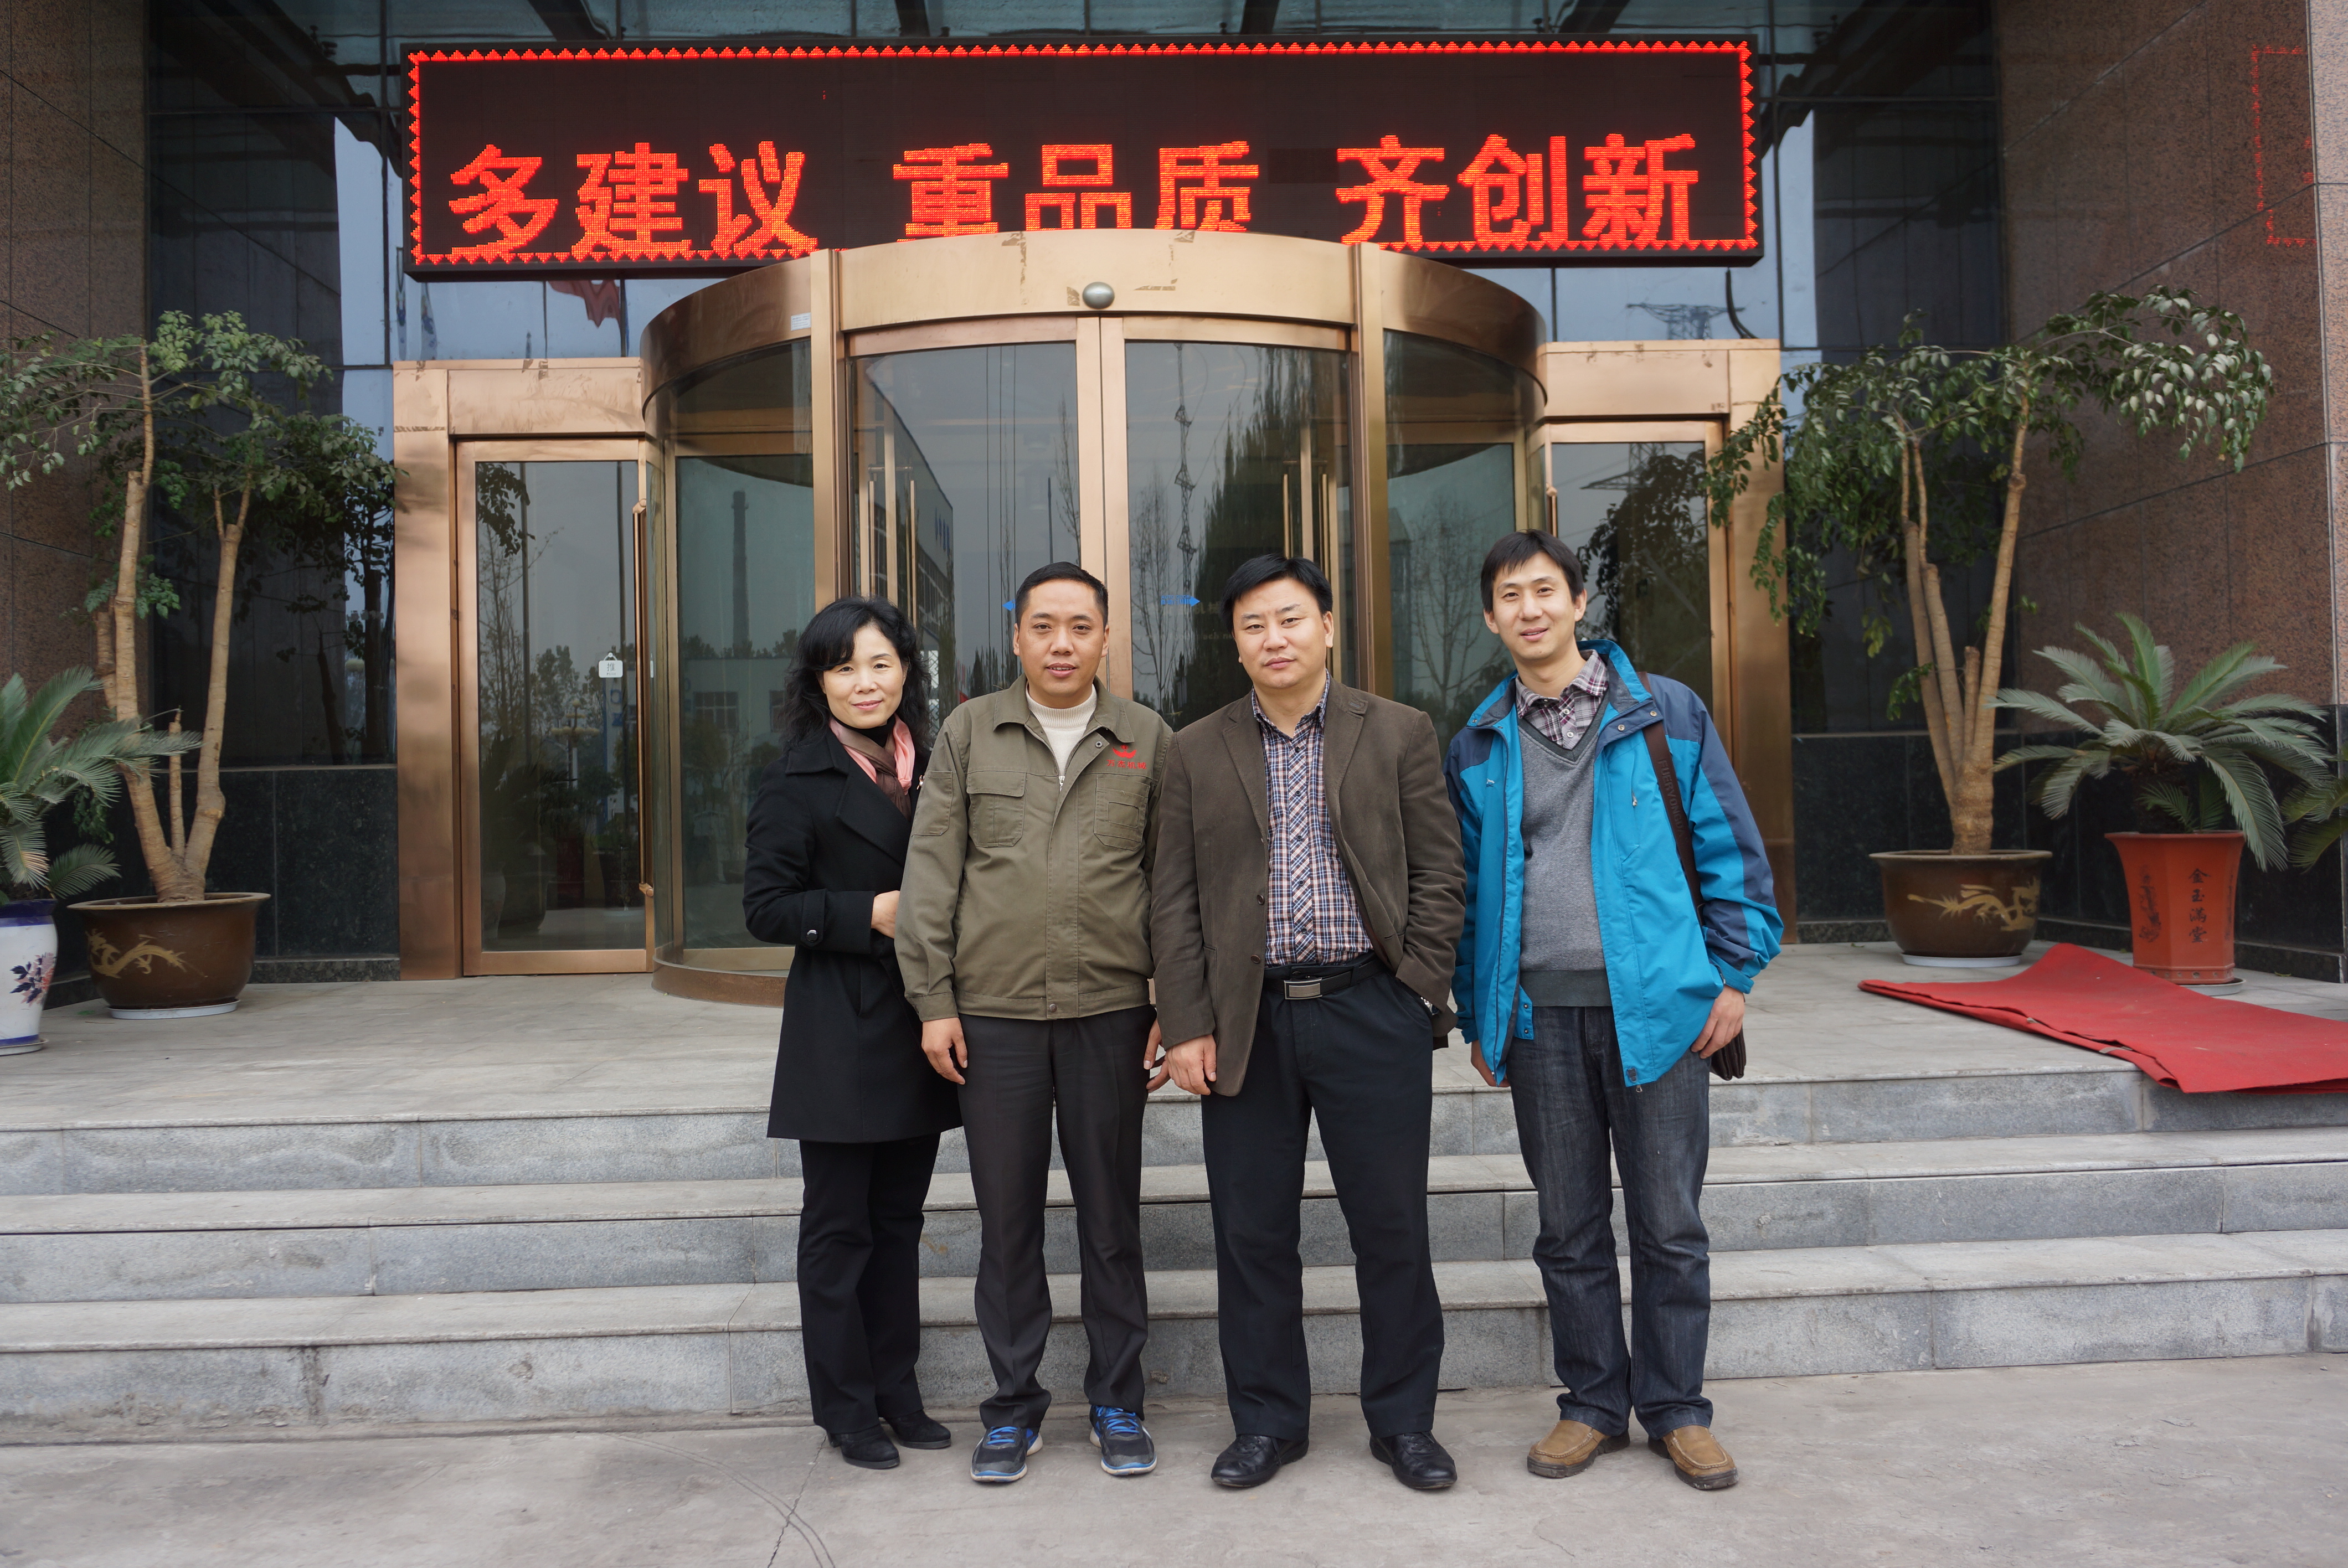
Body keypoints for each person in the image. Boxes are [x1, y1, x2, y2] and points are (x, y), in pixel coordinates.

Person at [1445, 532, 1781, 1493]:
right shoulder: (1477, 742)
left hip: (1663, 1014)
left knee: (1669, 1223)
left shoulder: (1665, 712)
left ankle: (1677, 1409)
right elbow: (1468, 896)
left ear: (1578, 601)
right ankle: (1592, 1402)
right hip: (1539, 1020)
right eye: (1511, 596)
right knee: (1568, 1227)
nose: (1531, 610)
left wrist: (1733, 977)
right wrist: (1479, 1014)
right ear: (1491, 617)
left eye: (1545, 590)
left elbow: (1731, 853)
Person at [1151, 554, 1466, 1493]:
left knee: (1391, 1228)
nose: (1274, 639)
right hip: (1246, 1020)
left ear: (1328, 625)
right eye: (1253, 625)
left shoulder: (1399, 730)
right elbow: (1172, 900)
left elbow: (1439, 871)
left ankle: (1405, 1423)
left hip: (1371, 1009)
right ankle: (1267, 1422)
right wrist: (1187, 1022)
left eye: (1290, 618)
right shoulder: (1193, 749)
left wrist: (1416, 990)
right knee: (1251, 1234)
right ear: (1235, 642)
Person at [895, 561, 1174, 1486]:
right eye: (1044, 626)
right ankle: (1013, 1409)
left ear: (1106, 638)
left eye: (1080, 627)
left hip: (1111, 1015)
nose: (1062, 644)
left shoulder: (1146, 738)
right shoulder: (970, 732)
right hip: (996, 1019)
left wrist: (1172, 1002)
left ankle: (1118, 1403)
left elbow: (1170, 886)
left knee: (1111, 1221)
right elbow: (932, 875)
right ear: (1017, 635)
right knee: (1007, 1223)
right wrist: (934, 1001)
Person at [743, 596, 962, 1472]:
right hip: (839, 1032)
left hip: (918, 1025)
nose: (865, 683)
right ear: (818, 681)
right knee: (839, 1232)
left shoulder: (934, 767)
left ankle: (898, 1392)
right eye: (844, 668)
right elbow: (765, 907)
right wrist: (867, 912)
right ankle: (846, 1409)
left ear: (907, 671)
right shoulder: (793, 778)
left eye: (880, 664)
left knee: (899, 1224)